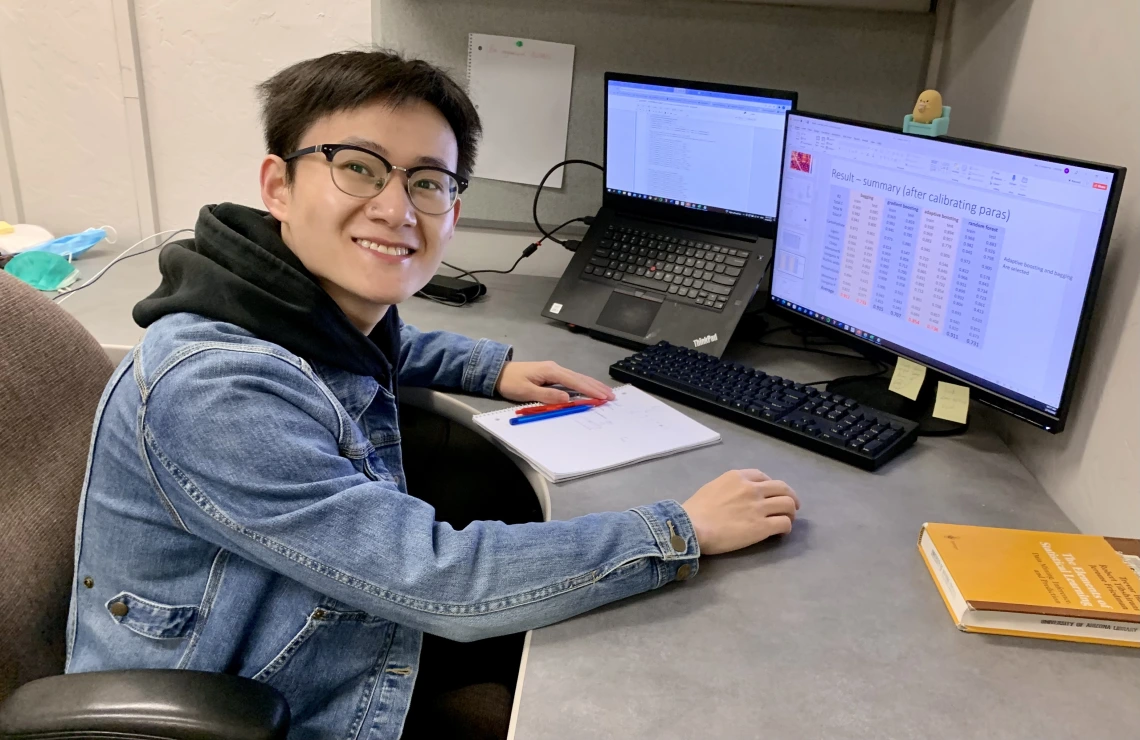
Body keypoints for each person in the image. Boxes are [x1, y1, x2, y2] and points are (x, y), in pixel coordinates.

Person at [65, 50, 800, 740]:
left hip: (308, 638)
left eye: (426, 181)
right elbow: (440, 579)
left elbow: (368, 346)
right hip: (262, 704)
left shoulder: (286, 304)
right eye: (358, 168)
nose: (397, 208)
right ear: (278, 186)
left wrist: (491, 368)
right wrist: (681, 528)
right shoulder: (216, 390)